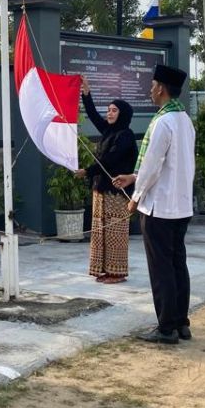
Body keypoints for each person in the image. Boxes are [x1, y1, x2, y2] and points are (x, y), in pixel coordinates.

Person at [112, 63, 195, 345]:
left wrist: (135, 196)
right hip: (181, 205)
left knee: (161, 269)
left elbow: (152, 166)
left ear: (160, 88)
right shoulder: (184, 120)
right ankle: (181, 323)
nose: (150, 90)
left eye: (151, 86)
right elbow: (164, 164)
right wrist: (133, 177)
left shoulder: (163, 122)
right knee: (176, 265)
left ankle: (166, 328)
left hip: (159, 206)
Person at [76, 77, 136, 284]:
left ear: (123, 114)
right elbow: (92, 115)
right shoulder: (109, 131)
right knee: (101, 231)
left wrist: (87, 171)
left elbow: (110, 161)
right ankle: (104, 269)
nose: (109, 113)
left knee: (115, 232)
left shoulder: (125, 135)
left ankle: (117, 272)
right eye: (109, 110)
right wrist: (87, 94)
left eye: (114, 110)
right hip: (101, 189)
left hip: (117, 192)